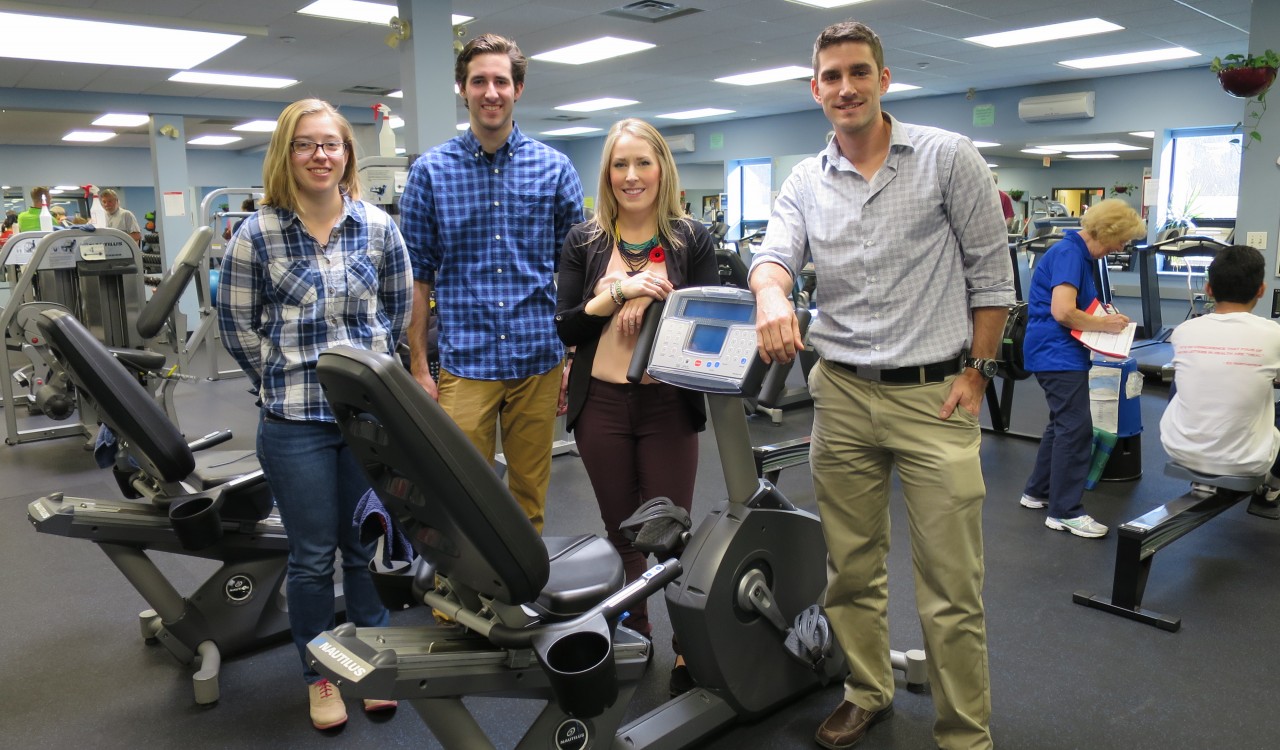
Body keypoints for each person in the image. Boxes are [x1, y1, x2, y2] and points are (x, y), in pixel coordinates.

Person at [748, 19, 1014, 750]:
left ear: (883, 79)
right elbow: (773, 255)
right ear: (815, 89)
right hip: (841, 395)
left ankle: (964, 733)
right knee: (850, 570)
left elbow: (994, 277)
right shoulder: (806, 178)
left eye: (858, 72)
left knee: (951, 586)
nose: (845, 87)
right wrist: (772, 295)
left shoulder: (946, 157)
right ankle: (867, 689)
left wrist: (979, 371)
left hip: (936, 396)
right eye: (831, 77)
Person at [216, 98, 411, 730]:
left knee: (362, 547)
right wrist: (281, 381)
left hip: (367, 420)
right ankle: (320, 673)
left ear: (347, 154)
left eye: (331, 144)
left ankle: (373, 661)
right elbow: (238, 329)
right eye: (306, 144)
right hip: (294, 420)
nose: (320, 155)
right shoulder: (256, 234)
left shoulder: (378, 227)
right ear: (286, 154)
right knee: (309, 556)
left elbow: (397, 312)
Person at [554, 117, 718, 695]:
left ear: (662, 169)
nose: (631, 176)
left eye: (642, 163)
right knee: (622, 533)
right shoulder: (585, 240)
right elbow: (567, 324)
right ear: (607, 175)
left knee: (670, 532)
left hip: (667, 405)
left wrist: (655, 309)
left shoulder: (690, 240)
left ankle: (688, 648)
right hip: (599, 404)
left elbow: (710, 323)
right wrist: (619, 293)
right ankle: (638, 631)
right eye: (620, 165)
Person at [399, 32, 584, 533]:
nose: (490, 92)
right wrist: (419, 364)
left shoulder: (555, 168)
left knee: (529, 495)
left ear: (517, 88)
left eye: (501, 81)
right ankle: (457, 601)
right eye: (479, 81)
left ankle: (519, 595)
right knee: (458, 492)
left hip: (538, 358)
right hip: (466, 363)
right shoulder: (431, 173)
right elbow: (419, 273)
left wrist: (570, 357)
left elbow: (573, 271)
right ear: (463, 88)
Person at [1018, 198, 1147, 539]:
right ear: (1108, 232)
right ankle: (1065, 512)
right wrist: (1105, 327)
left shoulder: (1078, 255)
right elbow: (1063, 312)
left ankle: (1037, 491)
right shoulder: (1070, 254)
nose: (1122, 246)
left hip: (1058, 352)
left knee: (1061, 425)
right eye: (1122, 240)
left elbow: (1077, 307)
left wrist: (1105, 317)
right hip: (1055, 353)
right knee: (1076, 430)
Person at [1160, 244, 1280, 519]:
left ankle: (1203, 448)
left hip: (1178, 449)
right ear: (1261, 290)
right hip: (1247, 462)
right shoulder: (1273, 334)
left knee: (1182, 380)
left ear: (1209, 289)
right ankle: (1272, 489)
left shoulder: (1183, 331)